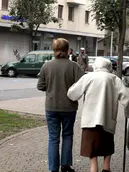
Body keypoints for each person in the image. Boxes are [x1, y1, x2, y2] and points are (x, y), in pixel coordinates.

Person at [67, 57, 129, 172]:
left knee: (91, 145)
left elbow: (72, 94)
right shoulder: (114, 79)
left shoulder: (88, 77)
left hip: (90, 118)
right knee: (107, 143)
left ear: (96, 66)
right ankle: (106, 167)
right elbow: (128, 97)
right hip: (108, 118)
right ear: (108, 67)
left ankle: (94, 168)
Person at [37, 38, 84, 172]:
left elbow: (40, 86)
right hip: (69, 107)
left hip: (51, 106)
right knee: (67, 135)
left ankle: (53, 168)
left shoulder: (46, 66)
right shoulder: (74, 66)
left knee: (53, 137)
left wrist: (51, 88)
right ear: (68, 50)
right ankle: (66, 165)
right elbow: (82, 85)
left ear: (54, 50)